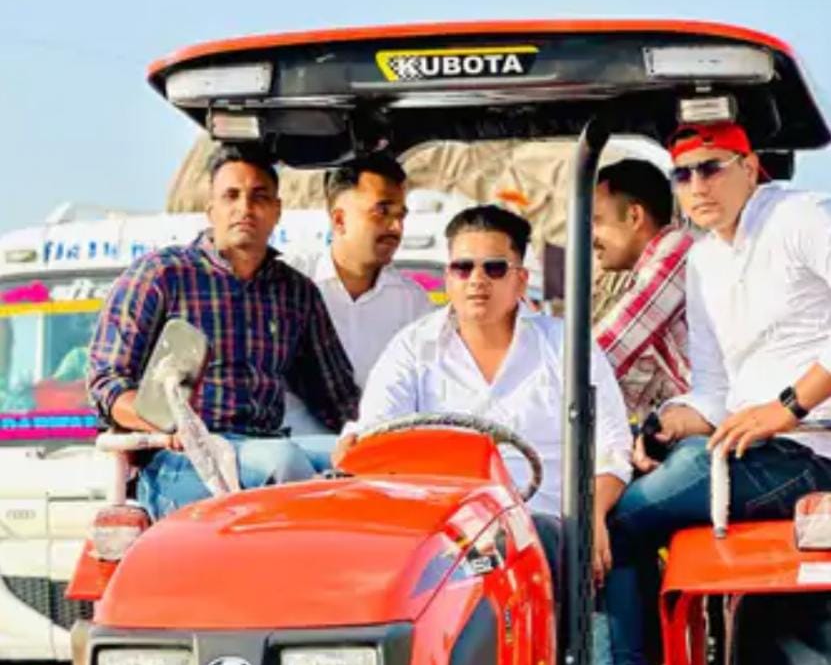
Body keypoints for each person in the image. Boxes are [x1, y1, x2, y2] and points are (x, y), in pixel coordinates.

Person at [579, 121, 831, 665]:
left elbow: (764, 402)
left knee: (615, 524)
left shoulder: (800, 218)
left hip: (808, 451)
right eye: (683, 175)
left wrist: (784, 406)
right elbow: (716, 388)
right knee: (609, 501)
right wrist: (660, 425)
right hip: (743, 447)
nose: (696, 187)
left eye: (711, 169)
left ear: (749, 167)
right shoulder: (701, 261)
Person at [334, 204, 632, 620]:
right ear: (447, 278)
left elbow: (613, 448)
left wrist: (592, 513)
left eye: (494, 268)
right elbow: (378, 437)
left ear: (520, 280)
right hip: (444, 535)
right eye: (463, 268)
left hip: (548, 527)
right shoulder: (411, 349)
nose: (477, 280)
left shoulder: (566, 346)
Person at [87, 143, 360, 518]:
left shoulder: (295, 293)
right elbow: (107, 382)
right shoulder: (160, 276)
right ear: (210, 210)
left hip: (263, 445)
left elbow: (337, 396)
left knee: (362, 461)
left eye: (259, 196)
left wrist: (382, 435)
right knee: (285, 465)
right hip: (177, 460)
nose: (245, 208)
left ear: (277, 210)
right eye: (231, 196)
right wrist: (164, 422)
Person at [283, 154, 432, 464]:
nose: (396, 227)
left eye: (401, 215)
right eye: (382, 212)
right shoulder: (287, 285)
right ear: (339, 220)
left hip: (379, 463)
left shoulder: (414, 303)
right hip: (292, 463)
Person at [592, 158, 693, 419]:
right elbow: (633, 384)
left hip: (731, 423)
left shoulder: (676, 253)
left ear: (634, 216)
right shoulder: (646, 277)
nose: (590, 237)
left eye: (596, 221)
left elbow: (603, 353)